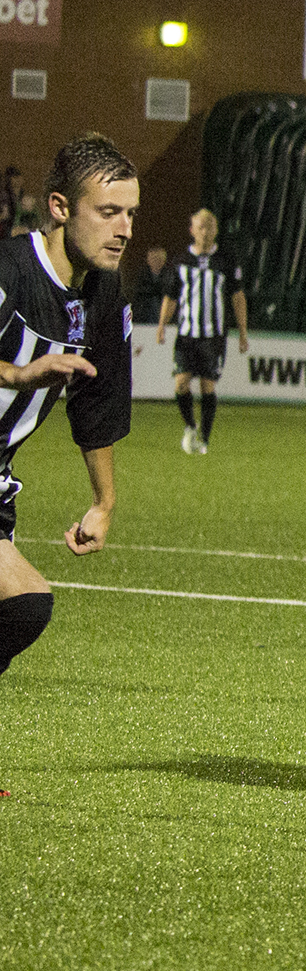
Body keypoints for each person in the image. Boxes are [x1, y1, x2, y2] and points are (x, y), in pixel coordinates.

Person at [0, 134, 137, 681]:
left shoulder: (105, 295)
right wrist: (15, 372)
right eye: (107, 212)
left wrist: (103, 502)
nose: (124, 229)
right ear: (60, 207)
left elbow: (97, 404)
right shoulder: (9, 271)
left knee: (26, 605)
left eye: (130, 213)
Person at [156, 209, 249, 455]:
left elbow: (237, 297)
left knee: (208, 386)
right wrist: (162, 326)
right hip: (186, 334)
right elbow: (170, 297)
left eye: (210, 226)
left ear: (216, 230)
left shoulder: (226, 261)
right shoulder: (180, 262)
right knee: (181, 384)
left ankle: (204, 440)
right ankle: (190, 425)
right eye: (201, 227)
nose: (206, 231)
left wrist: (242, 332)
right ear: (192, 230)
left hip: (214, 336)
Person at [128, 245, 169, 324]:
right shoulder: (141, 276)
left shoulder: (170, 275)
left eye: (159, 259)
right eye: (153, 259)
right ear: (148, 260)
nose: (156, 262)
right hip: (144, 314)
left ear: (164, 260)